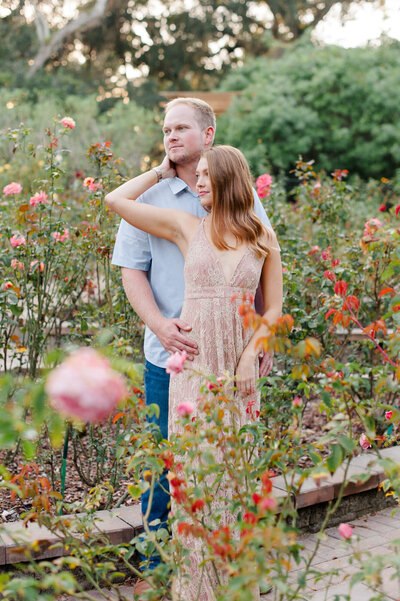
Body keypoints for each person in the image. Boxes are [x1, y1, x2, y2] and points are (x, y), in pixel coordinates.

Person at [110, 97, 274, 596]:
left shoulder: (244, 204)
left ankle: (229, 571)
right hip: (173, 354)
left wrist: (260, 345)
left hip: (235, 357)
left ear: (209, 133)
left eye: (181, 127)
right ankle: (167, 572)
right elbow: (130, 268)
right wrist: (159, 325)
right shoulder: (164, 206)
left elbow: (265, 280)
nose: (171, 135)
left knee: (233, 465)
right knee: (167, 464)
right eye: (165, 129)